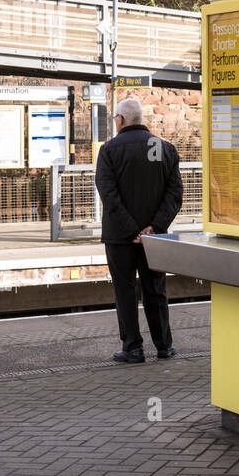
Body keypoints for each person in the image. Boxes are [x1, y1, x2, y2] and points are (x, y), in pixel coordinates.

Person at [95, 96, 183, 364]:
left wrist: (131, 229)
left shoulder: (110, 150)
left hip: (120, 238)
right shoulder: (166, 149)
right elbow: (175, 193)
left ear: (120, 119)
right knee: (155, 289)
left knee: (125, 291)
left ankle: (133, 348)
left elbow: (109, 195)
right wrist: (153, 227)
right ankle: (164, 346)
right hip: (155, 238)